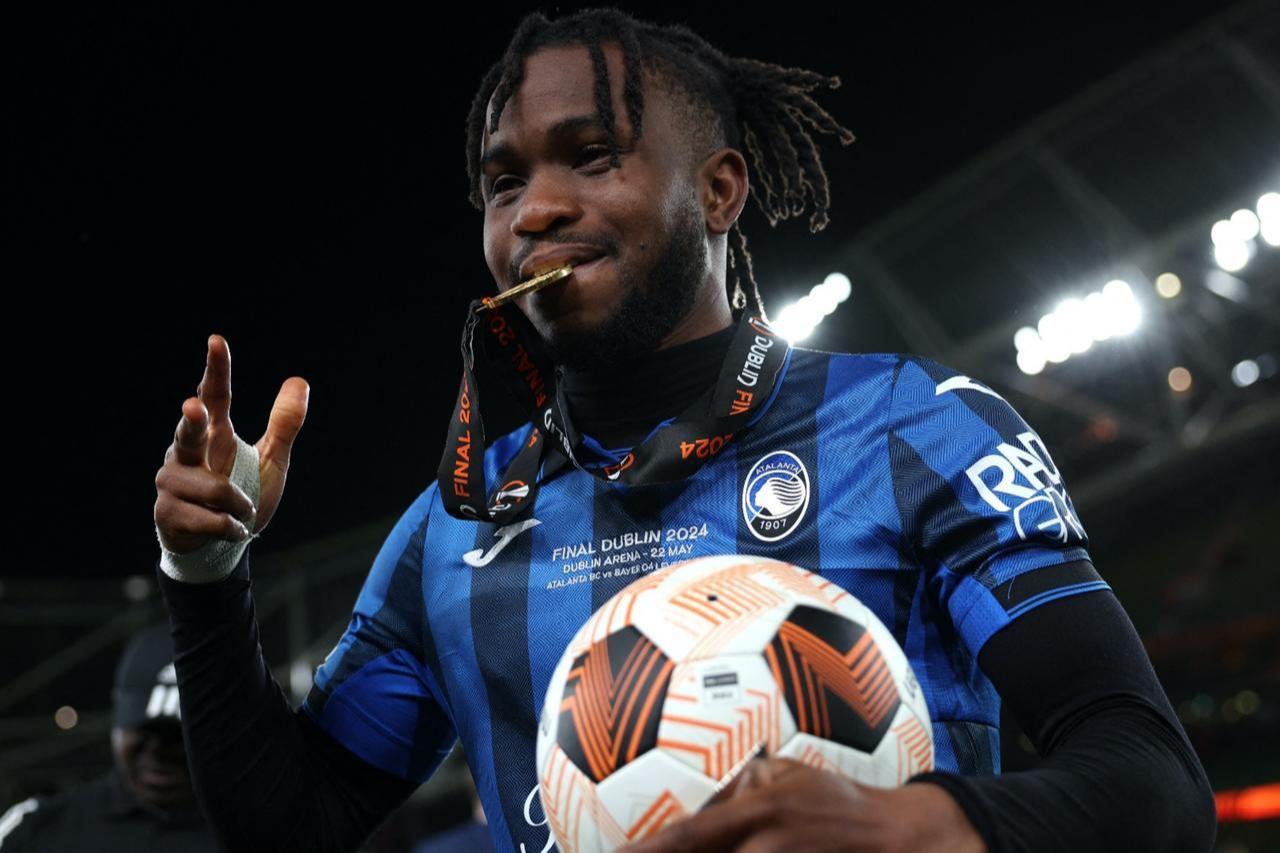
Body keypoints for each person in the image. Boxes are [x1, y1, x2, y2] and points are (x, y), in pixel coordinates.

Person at [151, 8, 1216, 852]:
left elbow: (1149, 776)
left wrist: (922, 826)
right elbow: (293, 823)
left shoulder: (912, 430)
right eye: (503, 182)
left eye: (591, 156)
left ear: (716, 190)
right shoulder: (451, 529)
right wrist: (206, 575)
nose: (535, 211)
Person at [0, 624, 218, 852]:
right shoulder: (39, 829)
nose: (159, 750)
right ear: (118, 717)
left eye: (178, 735)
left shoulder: (248, 834)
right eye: (146, 731)